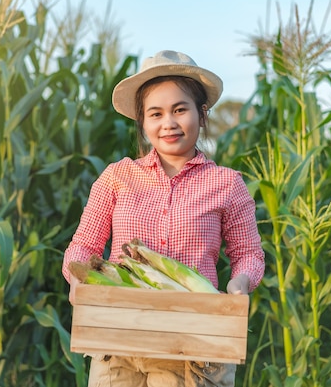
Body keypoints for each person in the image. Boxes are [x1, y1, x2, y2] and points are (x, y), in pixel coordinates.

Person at [62, 50, 265, 386]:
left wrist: (241, 282)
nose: (168, 123)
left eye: (180, 110)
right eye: (155, 113)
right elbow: (84, 244)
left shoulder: (227, 183)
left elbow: (249, 254)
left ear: (202, 114)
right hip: (118, 336)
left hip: (195, 338)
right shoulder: (117, 177)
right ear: (142, 122)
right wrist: (78, 279)